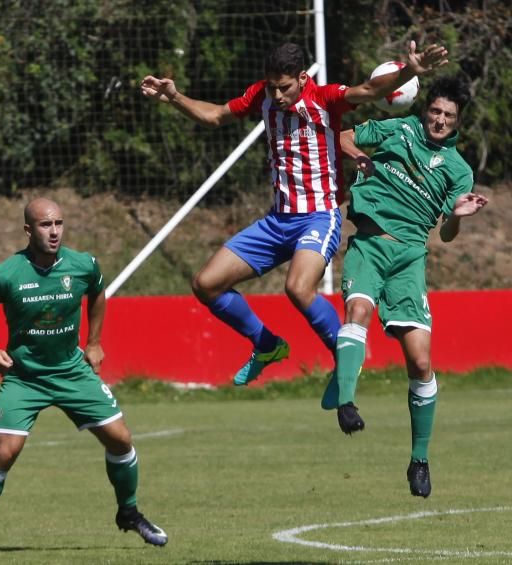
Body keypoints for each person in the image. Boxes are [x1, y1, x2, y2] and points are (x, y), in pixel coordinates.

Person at [140, 41, 449, 385]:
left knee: (298, 288)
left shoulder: (327, 98)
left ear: (302, 78)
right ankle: (266, 344)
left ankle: (344, 365)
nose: (278, 95)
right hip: (278, 220)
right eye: (272, 87)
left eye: (284, 87)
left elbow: (370, 89)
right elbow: (215, 115)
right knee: (206, 284)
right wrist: (174, 98)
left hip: (319, 216)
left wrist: (409, 71)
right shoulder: (264, 95)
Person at [0, 197, 167, 557]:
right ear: (28, 230)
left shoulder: (83, 264)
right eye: (45, 225)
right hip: (25, 378)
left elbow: (98, 293)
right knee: (4, 452)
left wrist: (95, 341)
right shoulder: (7, 273)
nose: (54, 231)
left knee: (121, 440)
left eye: (58, 224)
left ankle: (129, 513)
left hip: (72, 371)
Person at [323, 77, 488, 498]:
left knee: (420, 362)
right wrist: (361, 158)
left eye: (449, 116)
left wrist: (457, 215)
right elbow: (340, 136)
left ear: (457, 124)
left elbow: (447, 235)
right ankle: (346, 403)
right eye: (435, 111)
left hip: (410, 259)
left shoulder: (459, 171)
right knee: (356, 311)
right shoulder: (398, 128)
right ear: (425, 109)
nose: (440, 119)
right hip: (370, 245)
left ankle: (419, 460)